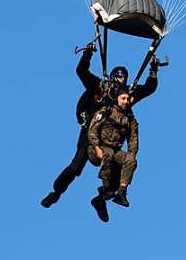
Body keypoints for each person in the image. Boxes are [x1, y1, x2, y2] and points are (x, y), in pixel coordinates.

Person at [40, 43, 158, 208]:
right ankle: (56, 193)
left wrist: (153, 69)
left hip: (111, 142)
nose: (118, 89)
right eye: (115, 83)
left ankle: (100, 200)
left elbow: (149, 88)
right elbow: (81, 71)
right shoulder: (99, 87)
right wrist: (87, 54)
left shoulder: (126, 96)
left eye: (121, 84)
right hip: (90, 136)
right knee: (75, 168)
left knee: (117, 178)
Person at [87, 88, 139, 222]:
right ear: (117, 98)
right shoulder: (106, 111)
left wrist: (132, 153)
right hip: (96, 149)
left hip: (114, 151)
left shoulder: (129, 118)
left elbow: (133, 138)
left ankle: (121, 192)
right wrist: (97, 148)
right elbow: (92, 130)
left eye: (127, 99)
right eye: (123, 98)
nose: (125, 102)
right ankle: (105, 187)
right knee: (108, 153)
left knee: (130, 159)